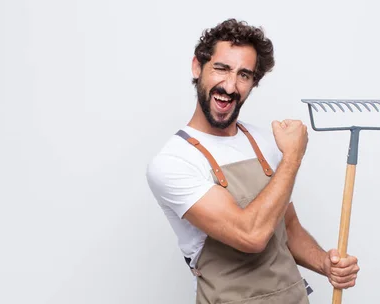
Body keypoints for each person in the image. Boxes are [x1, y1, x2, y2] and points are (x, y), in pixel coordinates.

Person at [146, 18, 360, 303]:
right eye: (221, 69)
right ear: (198, 67)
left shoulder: (265, 142)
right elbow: (252, 236)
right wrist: (292, 158)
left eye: (244, 75)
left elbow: (288, 229)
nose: (230, 86)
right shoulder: (174, 162)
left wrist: (325, 264)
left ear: (253, 83)